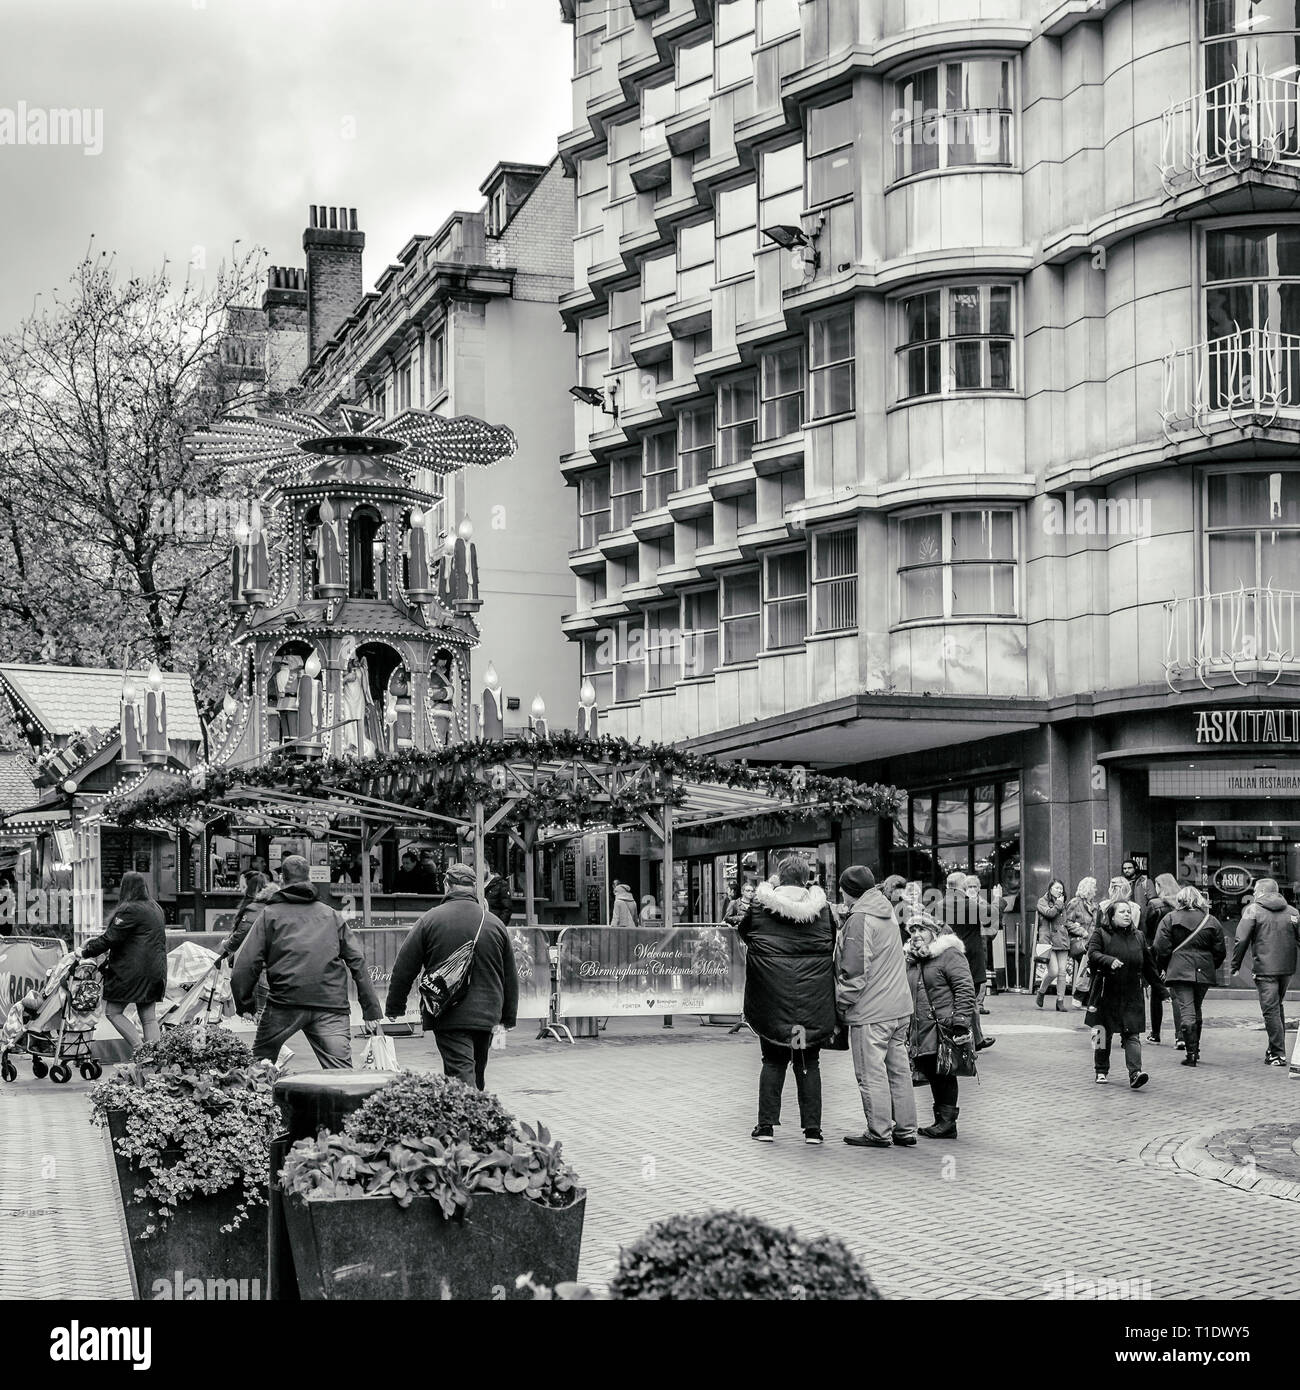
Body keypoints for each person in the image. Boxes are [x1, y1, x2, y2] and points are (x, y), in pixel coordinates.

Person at [231, 855, 382, 1068]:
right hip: (330, 1004)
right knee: (341, 1073)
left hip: (284, 1002)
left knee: (259, 1067)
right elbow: (357, 960)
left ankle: (262, 1099)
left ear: (282, 878)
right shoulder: (331, 915)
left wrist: (245, 1004)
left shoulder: (269, 915)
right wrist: (371, 1009)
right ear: (308, 877)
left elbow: (246, 964)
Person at [385, 862, 518, 1090]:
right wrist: (508, 1016)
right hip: (487, 1013)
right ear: (474, 887)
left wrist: (395, 1007)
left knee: (461, 1075)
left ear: (447, 885)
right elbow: (509, 975)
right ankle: (478, 1114)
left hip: (448, 1011)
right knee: (475, 1071)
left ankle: (472, 1117)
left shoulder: (430, 920)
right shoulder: (494, 923)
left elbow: (404, 967)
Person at [739, 855, 837, 1145]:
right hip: (811, 999)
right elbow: (832, 940)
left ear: (779, 878)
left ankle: (766, 1126)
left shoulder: (760, 907)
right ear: (806, 878)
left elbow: (744, 933)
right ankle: (813, 1131)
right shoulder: (823, 910)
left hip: (771, 999)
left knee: (772, 1060)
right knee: (808, 1061)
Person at [835, 866, 918, 1149]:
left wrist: (841, 1003)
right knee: (899, 1071)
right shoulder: (885, 910)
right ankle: (906, 1129)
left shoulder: (860, 918)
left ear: (848, 891)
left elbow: (855, 972)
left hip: (871, 1011)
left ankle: (879, 1130)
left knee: (871, 1073)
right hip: (899, 1006)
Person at [77, 871, 167, 1051]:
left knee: (113, 1012)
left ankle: (140, 1049)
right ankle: (155, 1058)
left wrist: (85, 952)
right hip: (155, 970)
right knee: (148, 1018)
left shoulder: (129, 909)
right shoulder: (155, 907)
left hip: (133, 972)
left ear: (125, 888)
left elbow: (110, 938)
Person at [904, 915, 976, 1139]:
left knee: (945, 1072)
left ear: (933, 932)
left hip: (943, 1025)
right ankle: (941, 1120)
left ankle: (947, 1122)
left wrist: (961, 1021)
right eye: (913, 930)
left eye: (922, 930)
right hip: (921, 1025)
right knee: (934, 1071)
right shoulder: (912, 958)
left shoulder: (949, 954)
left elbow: (965, 987)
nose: (916, 935)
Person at [1085, 898, 1163, 1089]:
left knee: (1132, 1033)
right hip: (1105, 990)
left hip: (1131, 991)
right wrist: (1108, 960)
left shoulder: (1139, 936)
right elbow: (1092, 954)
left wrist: (1161, 990)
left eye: (1129, 911)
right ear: (1111, 916)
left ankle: (1135, 1072)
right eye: (1122, 912)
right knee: (1102, 1032)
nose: (1127, 914)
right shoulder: (1100, 934)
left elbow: (1149, 966)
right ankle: (1100, 1069)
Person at [1153, 885, 1225, 1067]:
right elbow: (1220, 951)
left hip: (1179, 968)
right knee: (1196, 1007)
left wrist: (1163, 966)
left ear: (1180, 900)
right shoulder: (1211, 920)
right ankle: (1196, 1049)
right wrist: (1210, 965)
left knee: (1186, 1009)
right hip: (1204, 970)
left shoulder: (1170, 918)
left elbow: (1160, 947)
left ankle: (1191, 1053)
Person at [1231, 876, 1300, 1066]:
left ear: (1261, 892)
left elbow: (1241, 939)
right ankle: (1274, 1050)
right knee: (1277, 1006)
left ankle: (1278, 1054)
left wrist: (1235, 965)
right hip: (1287, 969)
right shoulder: (1293, 912)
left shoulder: (1253, 910)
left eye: (1254, 891)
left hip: (1265, 968)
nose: (1252, 894)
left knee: (1270, 1010)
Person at [941, 871, 994, 1049]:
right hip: (969, 958)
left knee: (962, 1000)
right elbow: (991, 918)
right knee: (968, 999)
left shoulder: (937, 905)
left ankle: (976, 1038)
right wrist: (999, 899)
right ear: (962, 886)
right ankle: (970, 1039)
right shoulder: (969, 904)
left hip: (945, 959)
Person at [1142, 873, 1181, 1045]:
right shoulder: (1182, 905)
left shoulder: (1155, 905)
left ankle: (1155, 1033)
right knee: (1177, 995)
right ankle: (1180, 1036)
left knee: (1157, 991)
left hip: (1157, 952)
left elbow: (1147, 931)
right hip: (1178, 953)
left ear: (1160, 886)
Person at [218, 869, 272, 961]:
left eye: (243, 884)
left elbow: (240, 936)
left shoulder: (253, 908)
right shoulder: (267, 904)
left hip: (249, 958)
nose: (240, 887)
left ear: (249, 887)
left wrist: (225, 944)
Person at [1034, 878, 1070, 1011]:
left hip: (1062, 940)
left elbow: (1066, 921)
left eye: (1061, 888)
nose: (1060, 891)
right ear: (1050, 889)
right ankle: (1041, 991)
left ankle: (1060, 1001)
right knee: (1053, 971)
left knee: (1062, 972)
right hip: (1048, 941)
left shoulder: (1063, 902)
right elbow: (1050, 914)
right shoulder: (1042, 901)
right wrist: (1059, 904)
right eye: (1057, 888)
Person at [1064, 876, 1099, 1009]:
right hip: (1078, 943)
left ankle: (1084, 998)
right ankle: (1080, 996)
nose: (1096, 890)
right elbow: (1067, 922)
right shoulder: (1075, 903)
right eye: (1094, 887)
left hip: (1091, 943)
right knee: (1089, 962)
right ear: (1088, 889)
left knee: (1092, 963)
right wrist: (1082, 931)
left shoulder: (1095, 905)